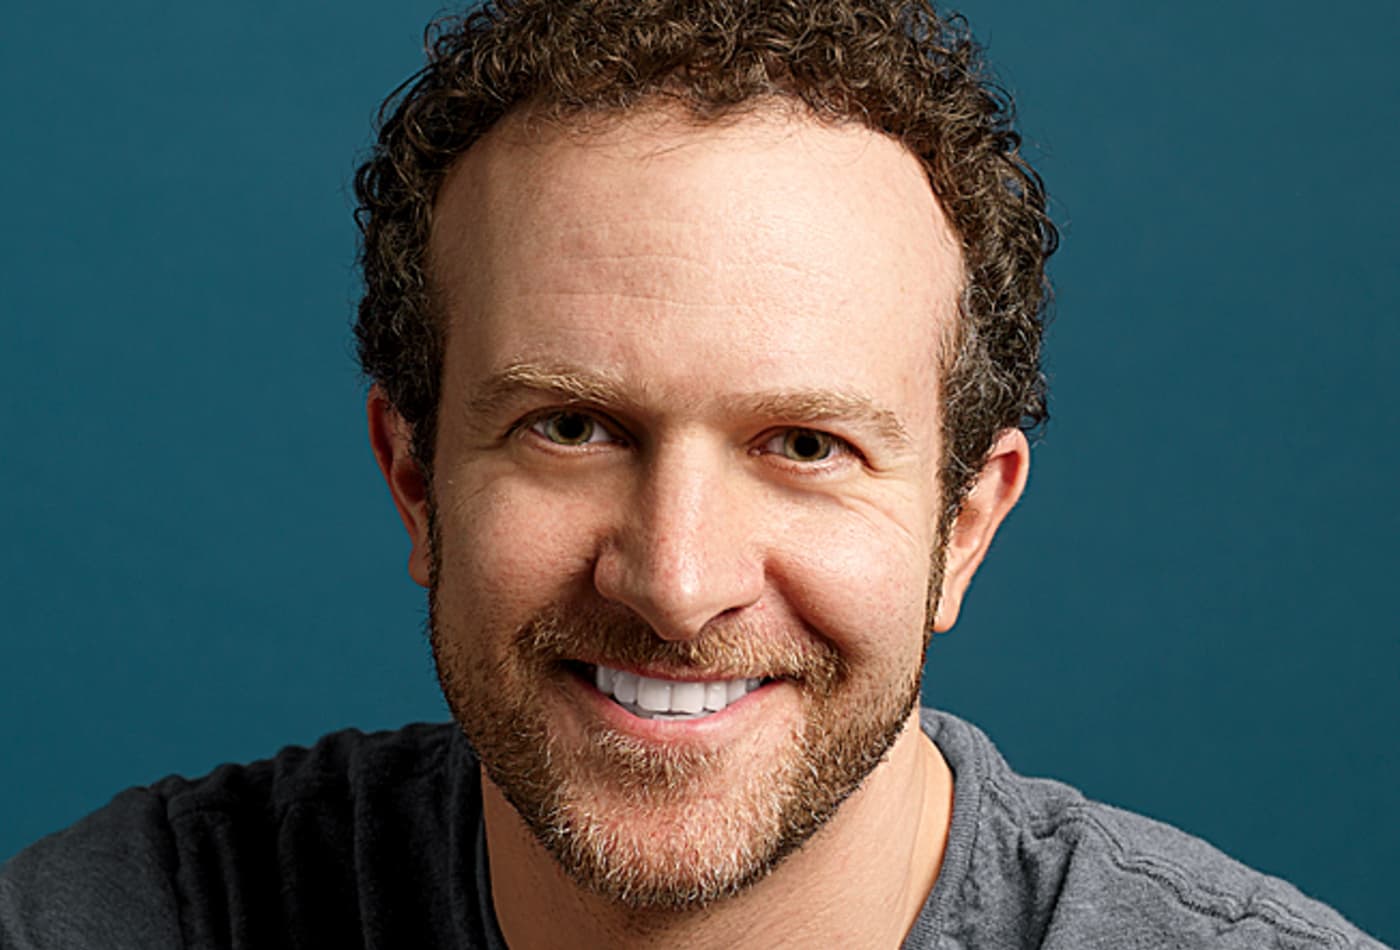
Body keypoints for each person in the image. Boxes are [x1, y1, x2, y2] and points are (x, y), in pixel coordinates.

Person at [0, 1, 1388, 947]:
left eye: (807, 446)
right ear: (414, 478)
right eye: (571, 427)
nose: (675, 584)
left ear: (964, 525)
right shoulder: (120, 918)